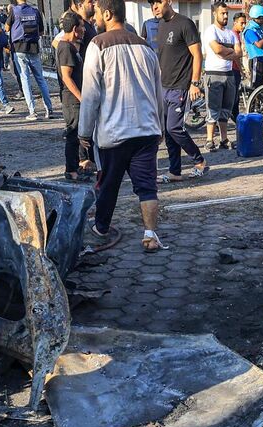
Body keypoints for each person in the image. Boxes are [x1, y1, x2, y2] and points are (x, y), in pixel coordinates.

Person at [78, 0, 163, 251]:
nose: (94, 20)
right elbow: (158, 91)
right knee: (147, 187)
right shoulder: (146, 47)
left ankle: (101, 228)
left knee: (108, 184)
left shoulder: (98, 45)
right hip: (147, 130)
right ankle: (150, 235)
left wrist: (84, 133)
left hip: (114, 133)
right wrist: (158, 127)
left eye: (97, 15)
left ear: (107, 13)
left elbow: (91, 94)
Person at [150, 0, 204, 180]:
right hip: (164, 86)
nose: (154, 7)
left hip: (180, 86)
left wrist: (195, 82)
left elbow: (197, 54)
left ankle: (199, 160)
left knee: (174, 127)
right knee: (168, 130)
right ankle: (175, 171)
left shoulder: (184, 23)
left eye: (158, 2)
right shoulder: (161, 26)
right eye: (151, 4)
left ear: (169, 2)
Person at [199, 0, 238, 151]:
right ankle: (209, 139)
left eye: (227, 13)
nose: (225, 16)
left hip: (229, 74)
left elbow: (239, 52)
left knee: (226, 109)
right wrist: (230, 52)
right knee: (213, 108)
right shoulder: (211, 31)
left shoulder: (230, 33)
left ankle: (224, 139)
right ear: (215, 13)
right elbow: (216, 49)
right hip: (213, 74)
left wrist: (227, 52)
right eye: (222, 13)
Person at [55, 13, 89, 179]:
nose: (84, 29)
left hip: (74, 100)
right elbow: (66, 77)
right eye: (82, 26)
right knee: (72, 135)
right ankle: (71, 170)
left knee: (76, 135)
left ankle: (78, 166)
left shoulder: (70, 46)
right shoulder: (66, 47)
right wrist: (81, 97)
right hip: (72, 100)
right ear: (75, 29)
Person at [9, 0, 53, 120]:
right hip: (33, 48)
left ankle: (32, 112)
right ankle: (49, 109)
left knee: (25, 79)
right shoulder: (35, 11)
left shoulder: (14, 10)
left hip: (19, 49)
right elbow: (41, 31)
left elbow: (7, 27)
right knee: (40, 79)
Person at [243, 4, 263, 90]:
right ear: (255, 18)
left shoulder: (259, 28)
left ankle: (259, 103)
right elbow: (259, 44)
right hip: (256, 60)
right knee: (255, 85)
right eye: (261, 18)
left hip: (262, 59)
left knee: (261, 86)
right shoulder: (250, 30)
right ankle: (253, 103)